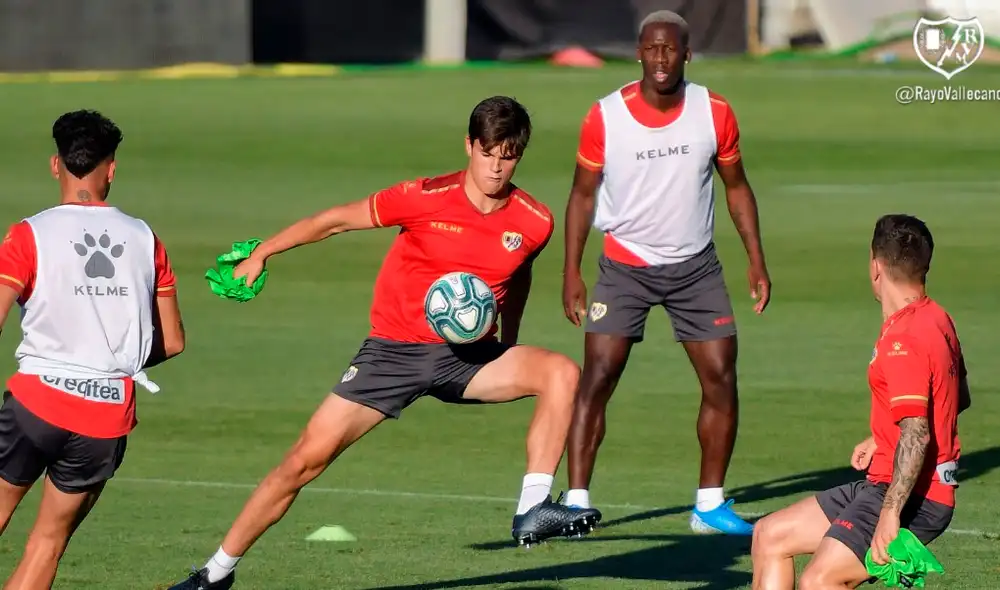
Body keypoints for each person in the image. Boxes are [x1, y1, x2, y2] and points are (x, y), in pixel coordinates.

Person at [167, 96, 600, 590]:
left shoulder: (533, 219)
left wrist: (511, 341)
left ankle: (532, 508)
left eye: (508, 155)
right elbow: (334, 220)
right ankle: (215, 573)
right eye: (487, 153)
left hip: (469, 358)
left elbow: (518, 276)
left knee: (562, 372)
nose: (497, 167)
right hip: (393, 354)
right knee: (302, 462)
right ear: (469, 146)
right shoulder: (423, 196)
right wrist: (263, 252)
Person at [560, 9, 770, 535]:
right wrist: (572, 271)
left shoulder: (713, 111)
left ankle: (710, 505)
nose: (660, 58)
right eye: (651, 48)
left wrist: (756, 259)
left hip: (696, 269)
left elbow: (737, 187)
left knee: (722, 378)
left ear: (686, 53)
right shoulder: (605, 116)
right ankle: (576, 501)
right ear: (638, 52)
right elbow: (582, 196)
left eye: (670, 49)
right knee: (598, 378)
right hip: (624, 268)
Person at [0, 110, 185, 588]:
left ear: (55, 165)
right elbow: (174, 341)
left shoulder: (28, 235)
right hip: (104, 416)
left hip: (35, 406)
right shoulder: (147, 241)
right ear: (112, 168)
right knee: (47, 546)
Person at [751, 214, 969, 589]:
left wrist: (890, 514)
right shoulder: (937, 319)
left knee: (821, 582)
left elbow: (916, 433)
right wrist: (884, 436)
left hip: (912, 493)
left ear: (876, 265)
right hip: (889, 478)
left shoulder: (904, 339)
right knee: (770, 535)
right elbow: (955, 398)